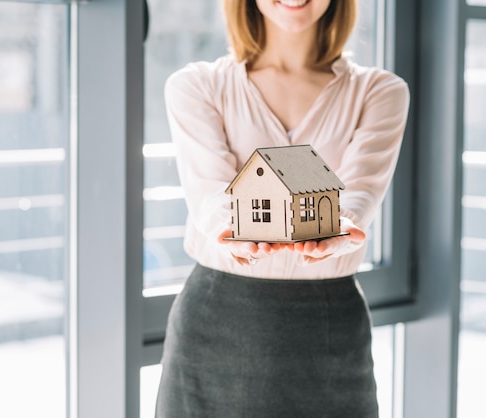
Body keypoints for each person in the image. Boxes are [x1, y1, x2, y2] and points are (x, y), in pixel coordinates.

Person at [155, 0, 409, 417]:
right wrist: (232, 232)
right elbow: (209, 193)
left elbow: (360, 190)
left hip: (329, 325)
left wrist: (342, 226)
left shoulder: (378, 92)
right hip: (218, 317)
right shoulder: (198, 85)